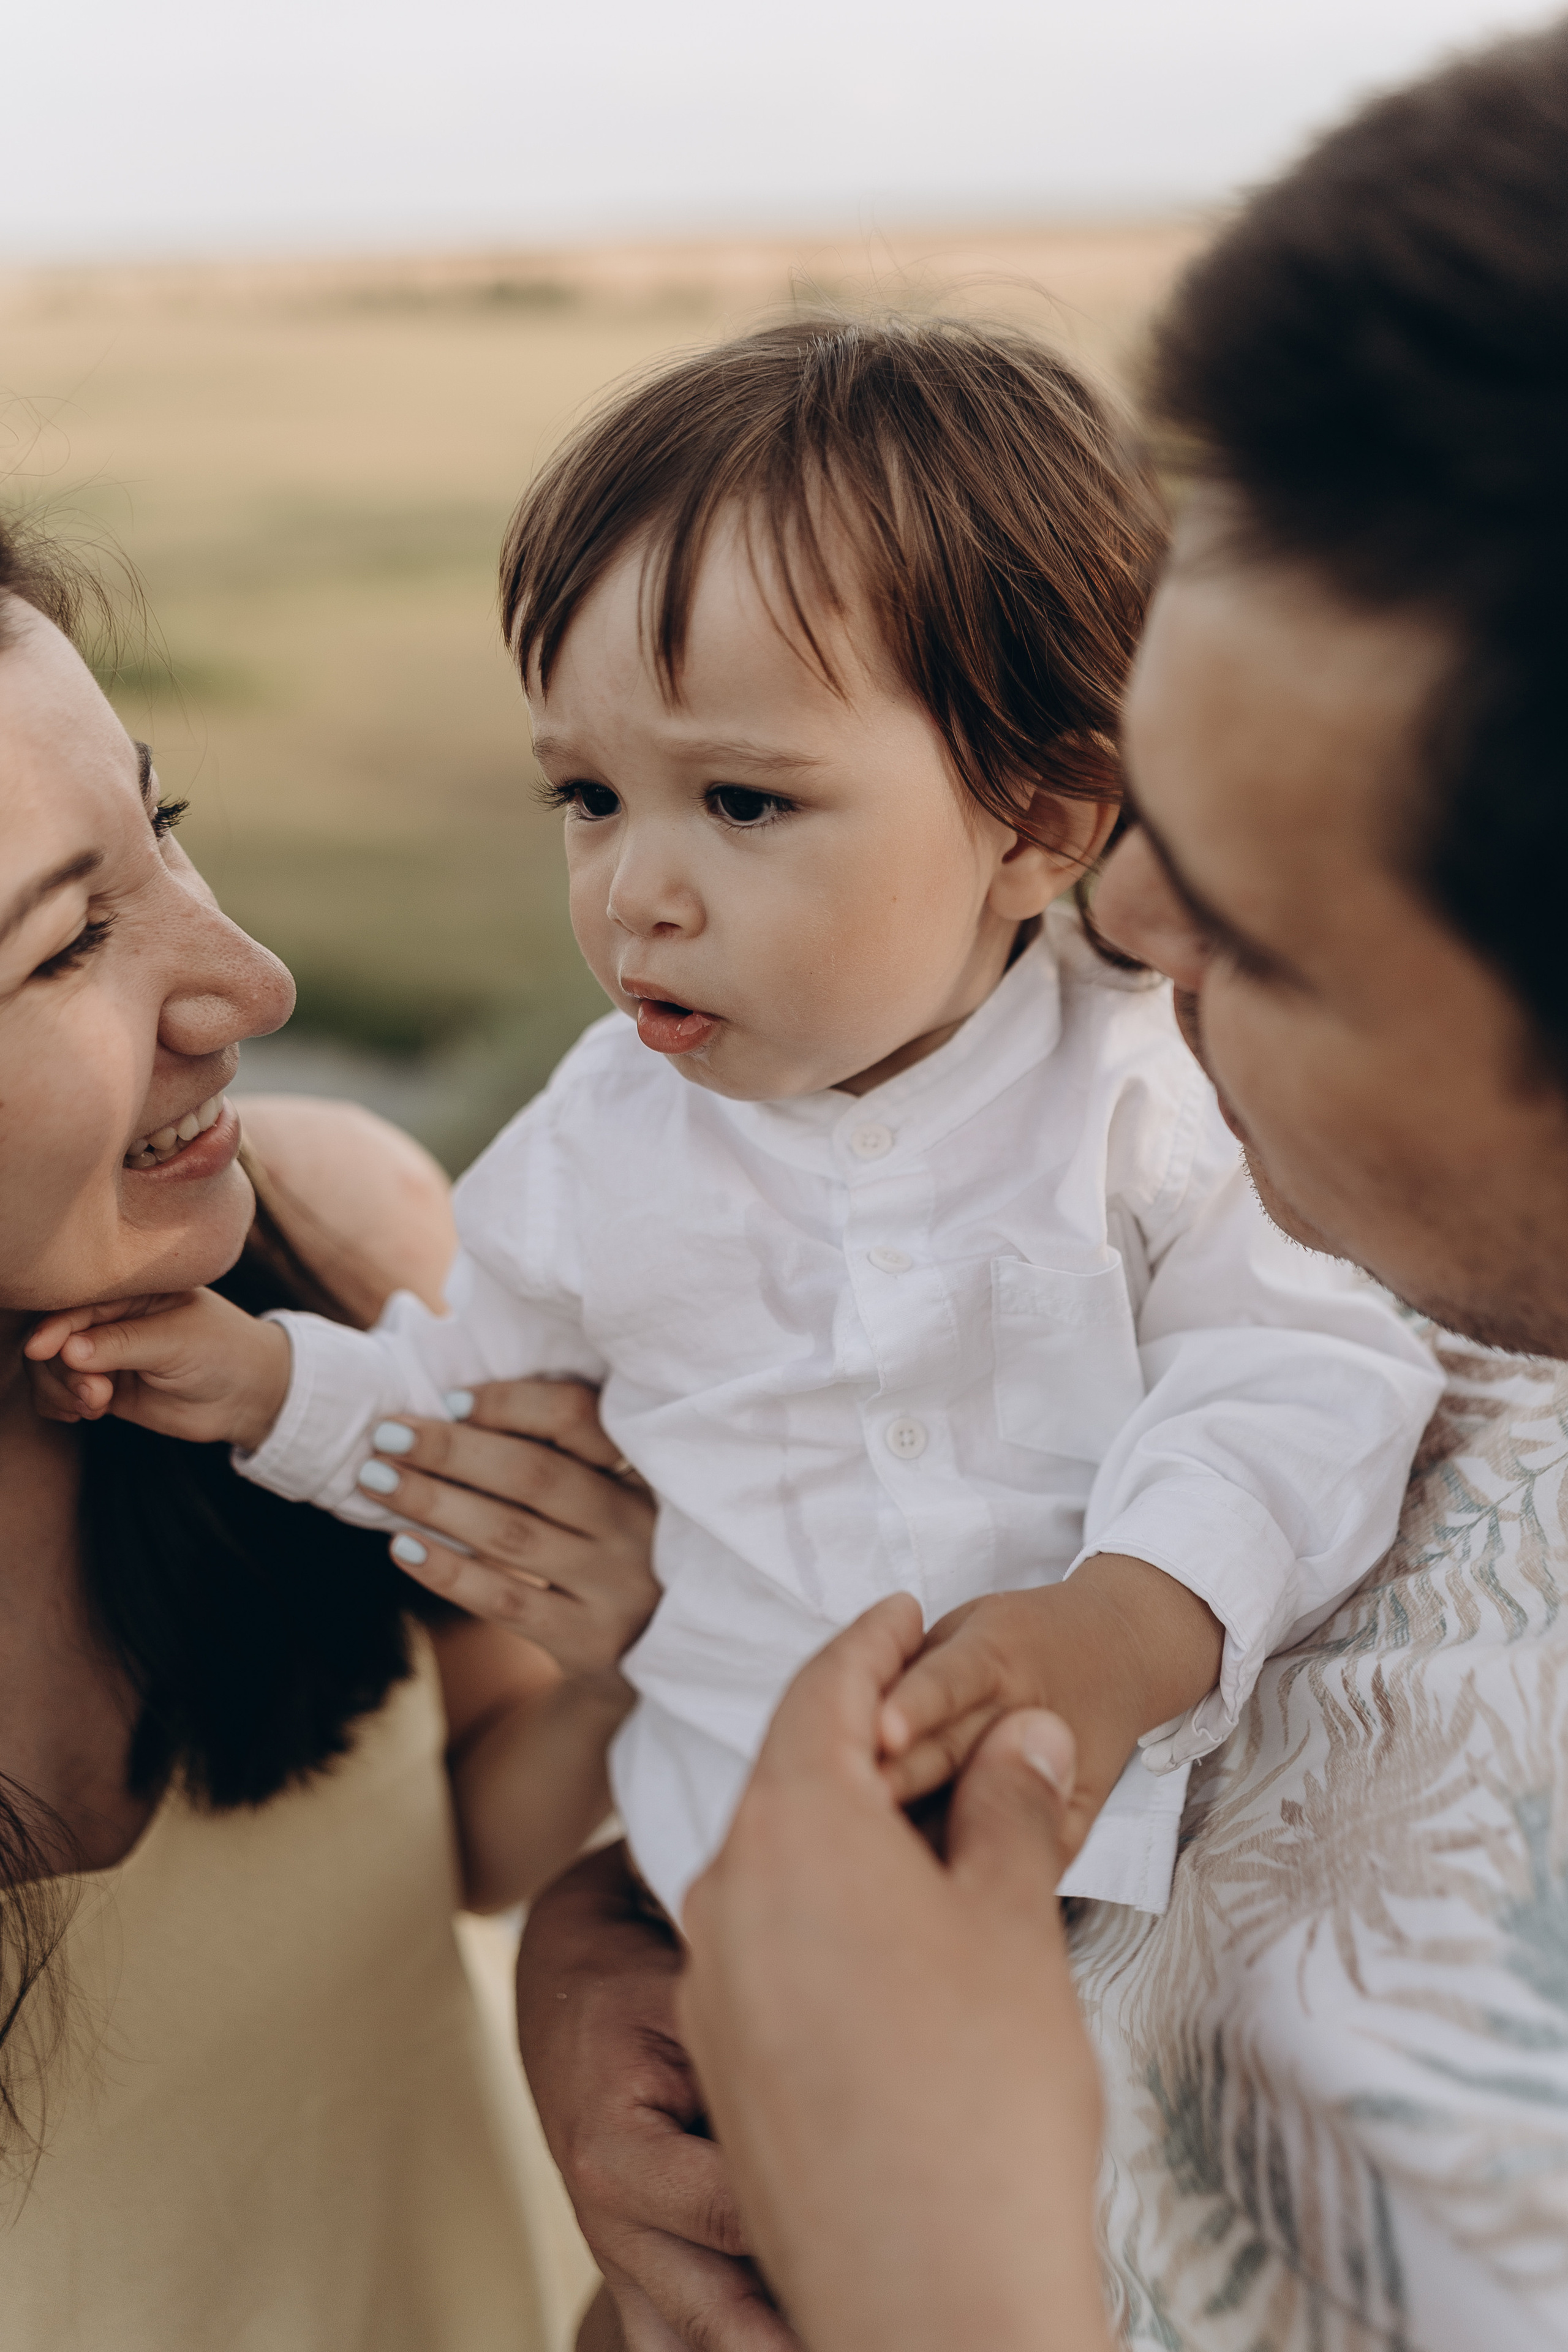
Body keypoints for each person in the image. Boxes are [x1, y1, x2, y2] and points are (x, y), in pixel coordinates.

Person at [484, 23, 1568, 2352]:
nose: (1127, 928)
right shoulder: (1419, 1286)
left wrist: (937, 2276)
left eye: (1261, 911)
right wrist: (614, 1955)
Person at [31, 320, 1437, 1954]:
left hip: (1136, 1902)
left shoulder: (1148, 1092)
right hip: (746, 1917)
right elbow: (479, 1422)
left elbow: (1299, 1377)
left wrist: (1128, 1626)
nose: (637, 893)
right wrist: (270, 1387)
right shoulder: (597, 1144)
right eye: (589, 799)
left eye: (745, 803)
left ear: (1038, 823)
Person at [0, 518, 659, 2350]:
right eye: (66, 944)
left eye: (164, 828)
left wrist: (633, 1660)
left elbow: (470, 1835)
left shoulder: (345, 1252)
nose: (254, 983)